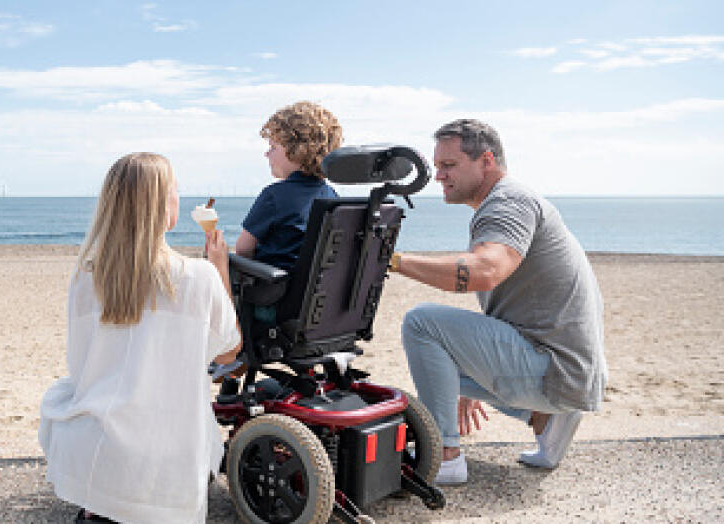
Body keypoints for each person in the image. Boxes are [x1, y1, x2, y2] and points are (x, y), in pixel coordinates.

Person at [390, 119, 607, 484]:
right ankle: (547, 420)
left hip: (556, 369)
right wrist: (468, 366)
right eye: (437, 167)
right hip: (571, 371)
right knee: (438, 354)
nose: (438, 177)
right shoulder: (510, 200)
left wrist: (393, 260)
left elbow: (485, 270)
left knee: (421, 322)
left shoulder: (507, 203)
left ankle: (445, 457)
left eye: (448, 165)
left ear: (486, 160)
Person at [38, 152, 242, 524]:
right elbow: (230, 351)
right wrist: (221, 269)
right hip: (168, 453)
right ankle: (145, 510)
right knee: (177, 424)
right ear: (162, 205)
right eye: (175, 191)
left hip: (92, 444)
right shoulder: (198, 277)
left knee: (63, 396)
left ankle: (100, 502)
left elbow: (82, 361)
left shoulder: (87, 277)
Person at [235, 101, 344, 271]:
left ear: (297, 150)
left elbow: (243, 249)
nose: (266, 154)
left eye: (273, 147)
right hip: (312, 292)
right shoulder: (331, 196)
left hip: (271, 292)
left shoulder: (274, 196)